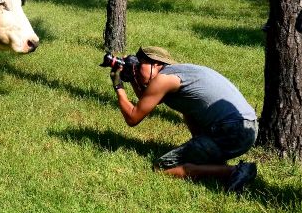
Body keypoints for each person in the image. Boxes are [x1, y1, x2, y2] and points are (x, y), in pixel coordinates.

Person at [111, 46, 258, 193]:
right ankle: (214, 162)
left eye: (140, 64)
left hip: (232, 131)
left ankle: (234, 171)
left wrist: (118, 85)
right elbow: (148, 100)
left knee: (163, 167)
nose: (136, 69)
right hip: (247, 128)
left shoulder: (163, 79)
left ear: (156, 64)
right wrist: (133, 78)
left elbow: (133, 117)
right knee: (188, 113)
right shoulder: (179, 73)